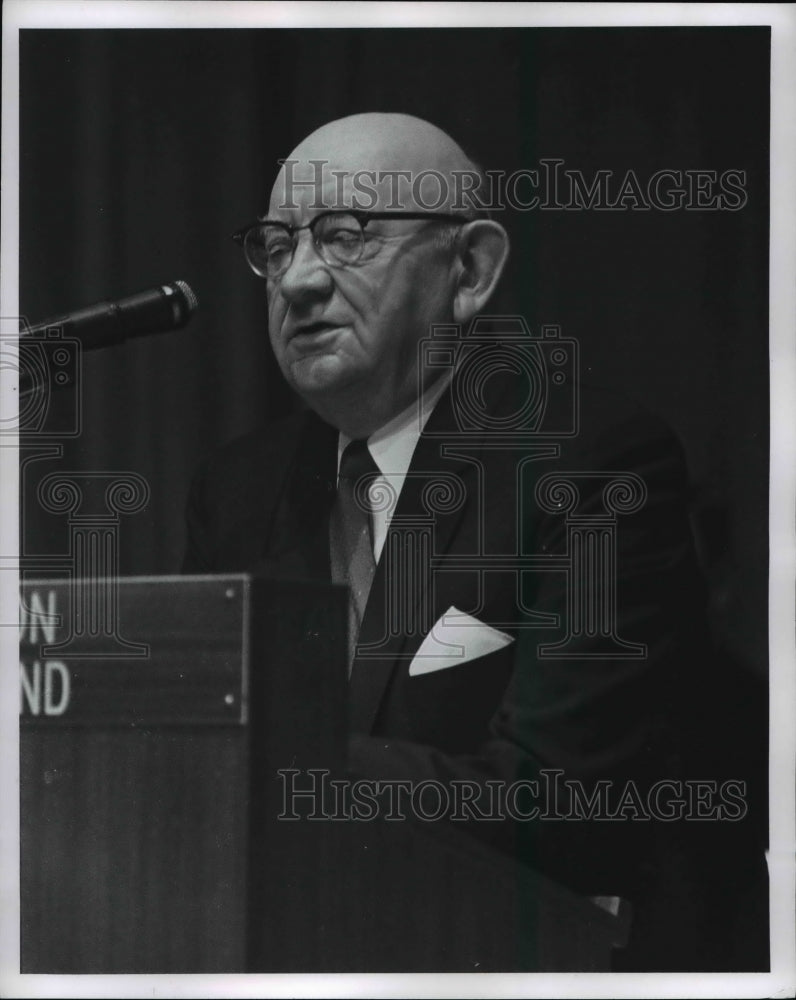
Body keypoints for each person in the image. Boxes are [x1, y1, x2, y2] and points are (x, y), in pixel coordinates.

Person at [183, 112, 767, 970]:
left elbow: (567, 800)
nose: (298, 280)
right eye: (276, 247)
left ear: (470, 268)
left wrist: (270, 766)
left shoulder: (588, 462)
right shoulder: (235, 491)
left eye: (344, 237)